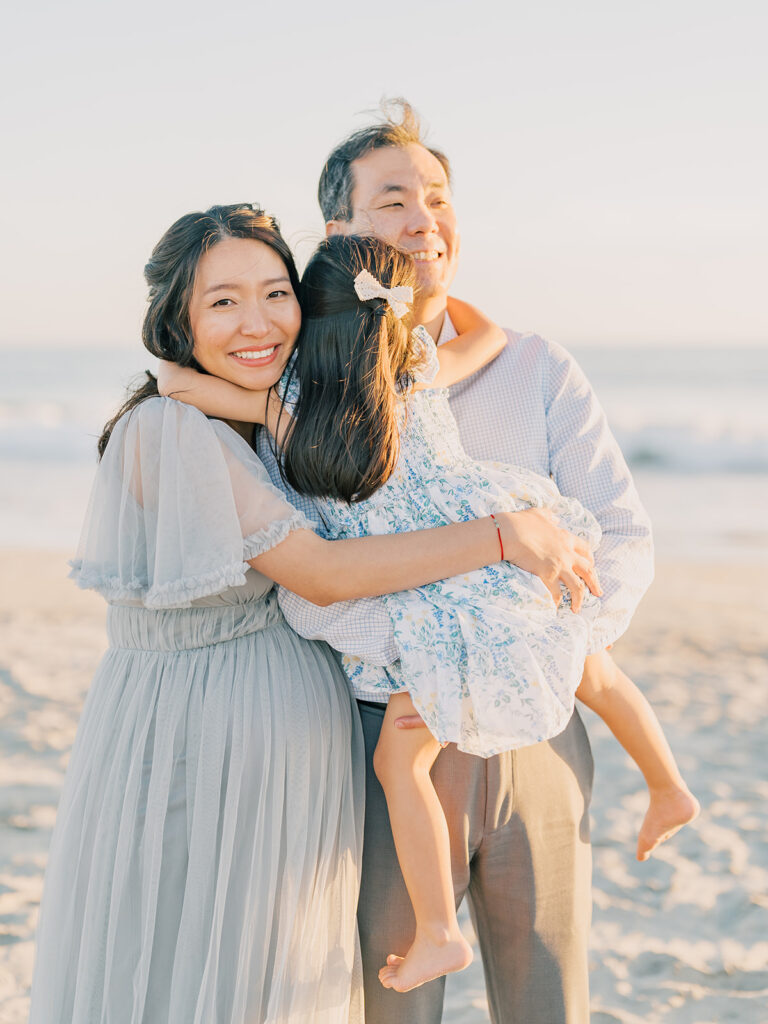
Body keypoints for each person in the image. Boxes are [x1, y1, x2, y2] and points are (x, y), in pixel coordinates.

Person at [28, 204, 589, 1024]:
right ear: (176, 316)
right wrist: (501, 535)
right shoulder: (168, 432)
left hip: (292, 752)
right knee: (191, 974)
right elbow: (322, 574)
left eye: (275, 294)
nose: (257, 323)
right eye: (222, 302)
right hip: (205, 739)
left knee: (270, 979)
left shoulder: (268, 417)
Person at [159, 231, 698, 996]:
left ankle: (440, 932)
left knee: (397, 764)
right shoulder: (418, 367)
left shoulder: (293, 411)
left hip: (432, 594)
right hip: (495, 554)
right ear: (399, 315)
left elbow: (182, 389)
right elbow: (484, 339)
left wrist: (174, 369)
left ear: (311, 320)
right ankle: (667, 783)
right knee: (588, 665)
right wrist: (447, 308)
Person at [272, 100, 679, 1024]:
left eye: (438, 197)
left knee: (548, 997)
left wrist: (533, 650)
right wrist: (439, 656)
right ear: (340, 233)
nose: (424, 219)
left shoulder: (535, 364)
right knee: (392, 1004)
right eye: (393, 201)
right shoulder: (310, 389)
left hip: (544, 718)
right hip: (399, 720)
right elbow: (312, 580)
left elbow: (618, 537)